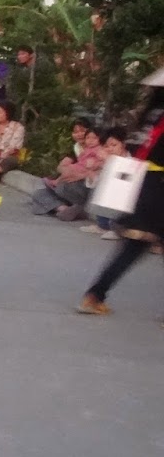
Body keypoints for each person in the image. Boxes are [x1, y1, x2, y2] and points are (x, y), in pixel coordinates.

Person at [77, 75, 164, 315]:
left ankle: (95, 296)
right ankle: (96, 295)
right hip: (158, 187)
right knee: (134, 247)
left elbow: (135, 147)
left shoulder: (150, 116)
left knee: (133, 247)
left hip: (142, 183)